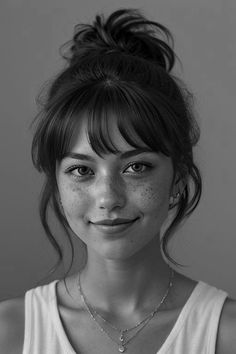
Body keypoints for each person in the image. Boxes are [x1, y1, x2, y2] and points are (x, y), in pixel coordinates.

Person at [0, 8, 235, 354]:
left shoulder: (226, 335)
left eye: (136, 167)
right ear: (57, 182)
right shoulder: (10, 333)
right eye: (82, 170)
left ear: (179, 179)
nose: (108, 197)